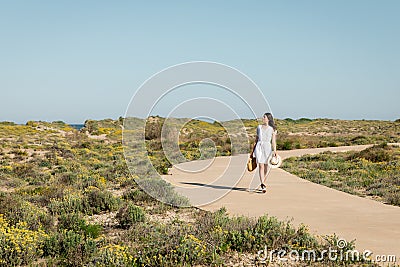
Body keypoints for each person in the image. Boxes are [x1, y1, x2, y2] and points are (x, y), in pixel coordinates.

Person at [251, 113, 277, 193]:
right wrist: (252, 150)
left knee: (266, 166)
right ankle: (262, 183)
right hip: (259, 147)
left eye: (264, 117)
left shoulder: (272, 129)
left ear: (268, 119)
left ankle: (263, 182)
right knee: (261, 165)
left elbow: (273, 141)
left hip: (267, 147)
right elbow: (256, 139)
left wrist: (275, 151)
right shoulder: (259, 127)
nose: (263, 118)